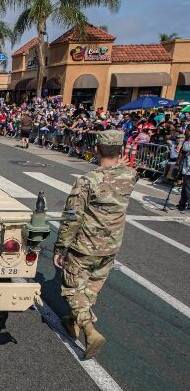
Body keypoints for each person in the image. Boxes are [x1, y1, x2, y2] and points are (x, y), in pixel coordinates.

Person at [53, 130, 138, 358]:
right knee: (91, 287)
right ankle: (73, 321)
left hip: (85, 246)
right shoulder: (130, 176)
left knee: (72, 288)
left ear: (96, 149)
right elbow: (127, 171)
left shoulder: (88, 181)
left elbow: (72, 217)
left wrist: (60, 247)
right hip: (111, 246)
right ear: (120, 151)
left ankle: (90, 330)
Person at [176, 129, 190, 212]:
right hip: (185, 166)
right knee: (185, 186)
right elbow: (182, 152)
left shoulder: (187, 143)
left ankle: (187, 203)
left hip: (188, 167)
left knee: (187, 187)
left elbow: (186, 149)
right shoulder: (186, 141)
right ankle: (182, 203)